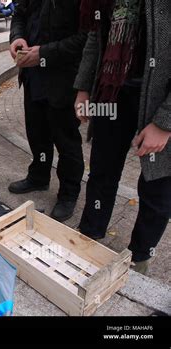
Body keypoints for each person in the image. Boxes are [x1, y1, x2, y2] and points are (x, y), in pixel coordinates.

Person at [74, 0, 171, 274]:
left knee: (157, 185)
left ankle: (139, 258)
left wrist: (165, 123)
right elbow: (97, 33)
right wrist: (83, 88)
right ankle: (88, 238)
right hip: (112, 90)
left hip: (158, 97)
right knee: (102, 172)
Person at [8, 0, 87, 222]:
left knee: (66, 141)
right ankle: (39, 176)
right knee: (37, 132)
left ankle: (69, 194)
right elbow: (19, 14)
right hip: (33, 76)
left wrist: (45, 53)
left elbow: (86, 39)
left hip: (63, 80)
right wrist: (17, 37)